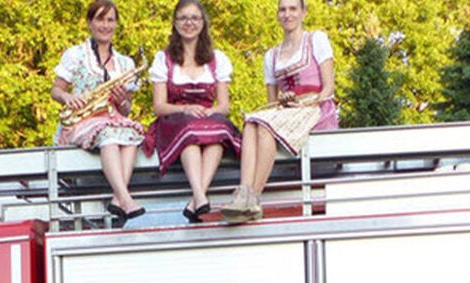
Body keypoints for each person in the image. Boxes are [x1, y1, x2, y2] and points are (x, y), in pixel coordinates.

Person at [220, 0, 338, 223]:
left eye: (293, 9)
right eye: (283, 9)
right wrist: (286, 101)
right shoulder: (271, 56)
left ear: (303, 13)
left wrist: (305, 102)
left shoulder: (316, 39)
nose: (287, 14)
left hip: (315, 108)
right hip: (285, 113)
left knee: (264, 127)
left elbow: (329, 88)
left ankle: (253, 197)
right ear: (277, 15)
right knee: (252, 122)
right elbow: (272, 103)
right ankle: (244, 192)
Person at [143, 0, 241, 223]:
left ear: (203, 23)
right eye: (183, 18)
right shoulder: (164, 59)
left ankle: (197, 199)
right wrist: (185, 108)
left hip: (207, 119)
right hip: (175, 119)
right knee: (190, 134)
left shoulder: (217, 59)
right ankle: (199, 194)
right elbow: (159, 107)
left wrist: (210, 112)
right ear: (175, 24)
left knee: (217, 137)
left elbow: (224, 106)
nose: (189, 23)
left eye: (195, 18)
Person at [51, 0, 146, 224]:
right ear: (90, 23)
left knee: (132, 136)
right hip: (82, 120)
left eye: (110, 20)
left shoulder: (125, 63)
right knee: (110, 137)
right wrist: (68, 97)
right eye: (100, 19)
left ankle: (117, 198)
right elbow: (56, 90)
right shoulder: (75, 54)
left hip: (112, 119)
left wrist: (123, 102)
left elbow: (126, 109)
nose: (105, 25)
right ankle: (125, 198)